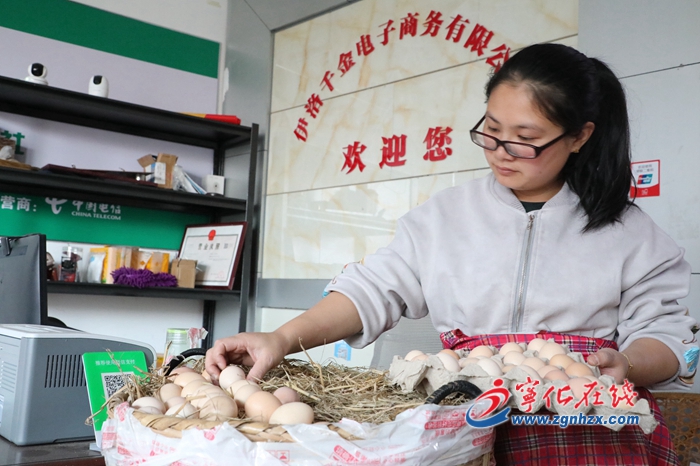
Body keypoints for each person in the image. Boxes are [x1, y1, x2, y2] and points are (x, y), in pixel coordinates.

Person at [207, 43, 698, 465]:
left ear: (579, 137)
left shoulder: (632, 234)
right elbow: (372, 290)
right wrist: (281, 338)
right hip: (464, 426)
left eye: (525, 139)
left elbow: (665, 337)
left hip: (583, 433)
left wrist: (624, 363)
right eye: (491, 129)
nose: (501, 150)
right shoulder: (444, 217)